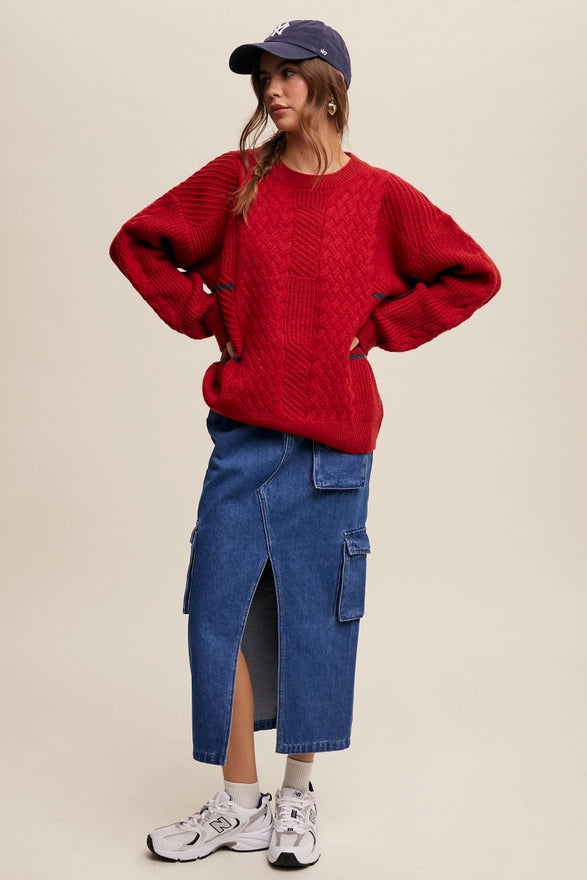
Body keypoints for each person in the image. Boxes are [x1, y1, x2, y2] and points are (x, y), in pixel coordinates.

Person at [109, 19, 500, 869]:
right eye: (262, 80)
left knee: (314, 619)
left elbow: (472, 272)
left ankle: (295, 800)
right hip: (245, 435)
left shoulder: (381, 196)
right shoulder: (234, 181)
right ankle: (237, 803)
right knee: (218, 611)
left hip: (332, 448)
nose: (270, 91)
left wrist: (378, 330)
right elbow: (138, 244)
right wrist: (212, 316)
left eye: (286, 76)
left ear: (329, 86)